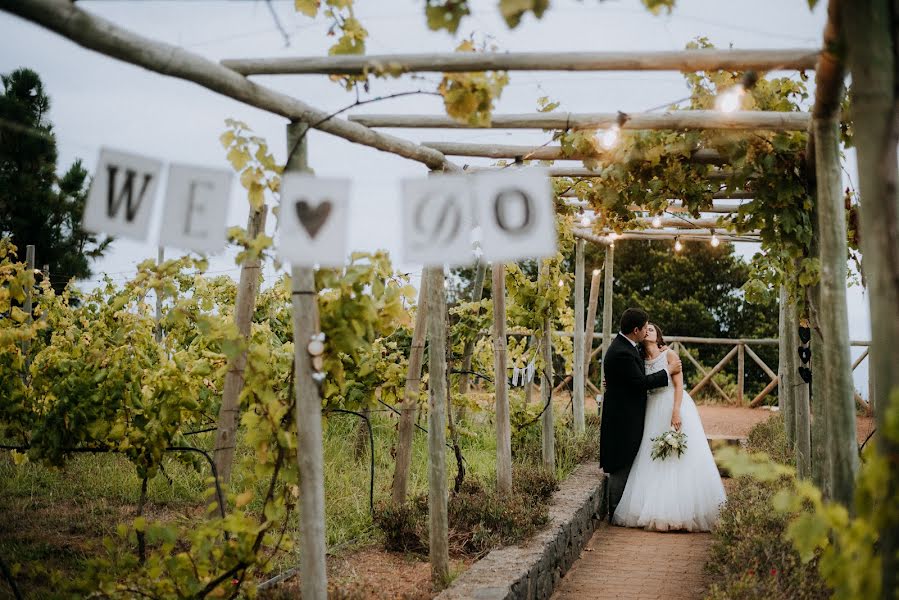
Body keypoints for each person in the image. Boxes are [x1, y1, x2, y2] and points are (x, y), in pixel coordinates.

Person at [612, 323, 727, 531]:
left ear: (659, 336)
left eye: (653, 330)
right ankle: (654, 509)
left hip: (672, 404)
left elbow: (678, 386)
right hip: (651, 410)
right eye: (646, 329)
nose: (648, 331)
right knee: (652, 455)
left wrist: (676, 411)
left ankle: (683, 511)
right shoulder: (639, 359)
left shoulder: (669, 355)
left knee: (679, 456)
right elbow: (632, 379)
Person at [599, 308, 681, 521]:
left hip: (634, 413)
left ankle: (621, 510)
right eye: (645, 327)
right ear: (636, 330)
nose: (647, 330)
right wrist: (667, 372)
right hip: (623, 418)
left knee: (631, 459)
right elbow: (639, 383)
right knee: (622, 462)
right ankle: (616, 512)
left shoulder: (629, 347)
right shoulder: (623, 352)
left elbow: (631, 376)